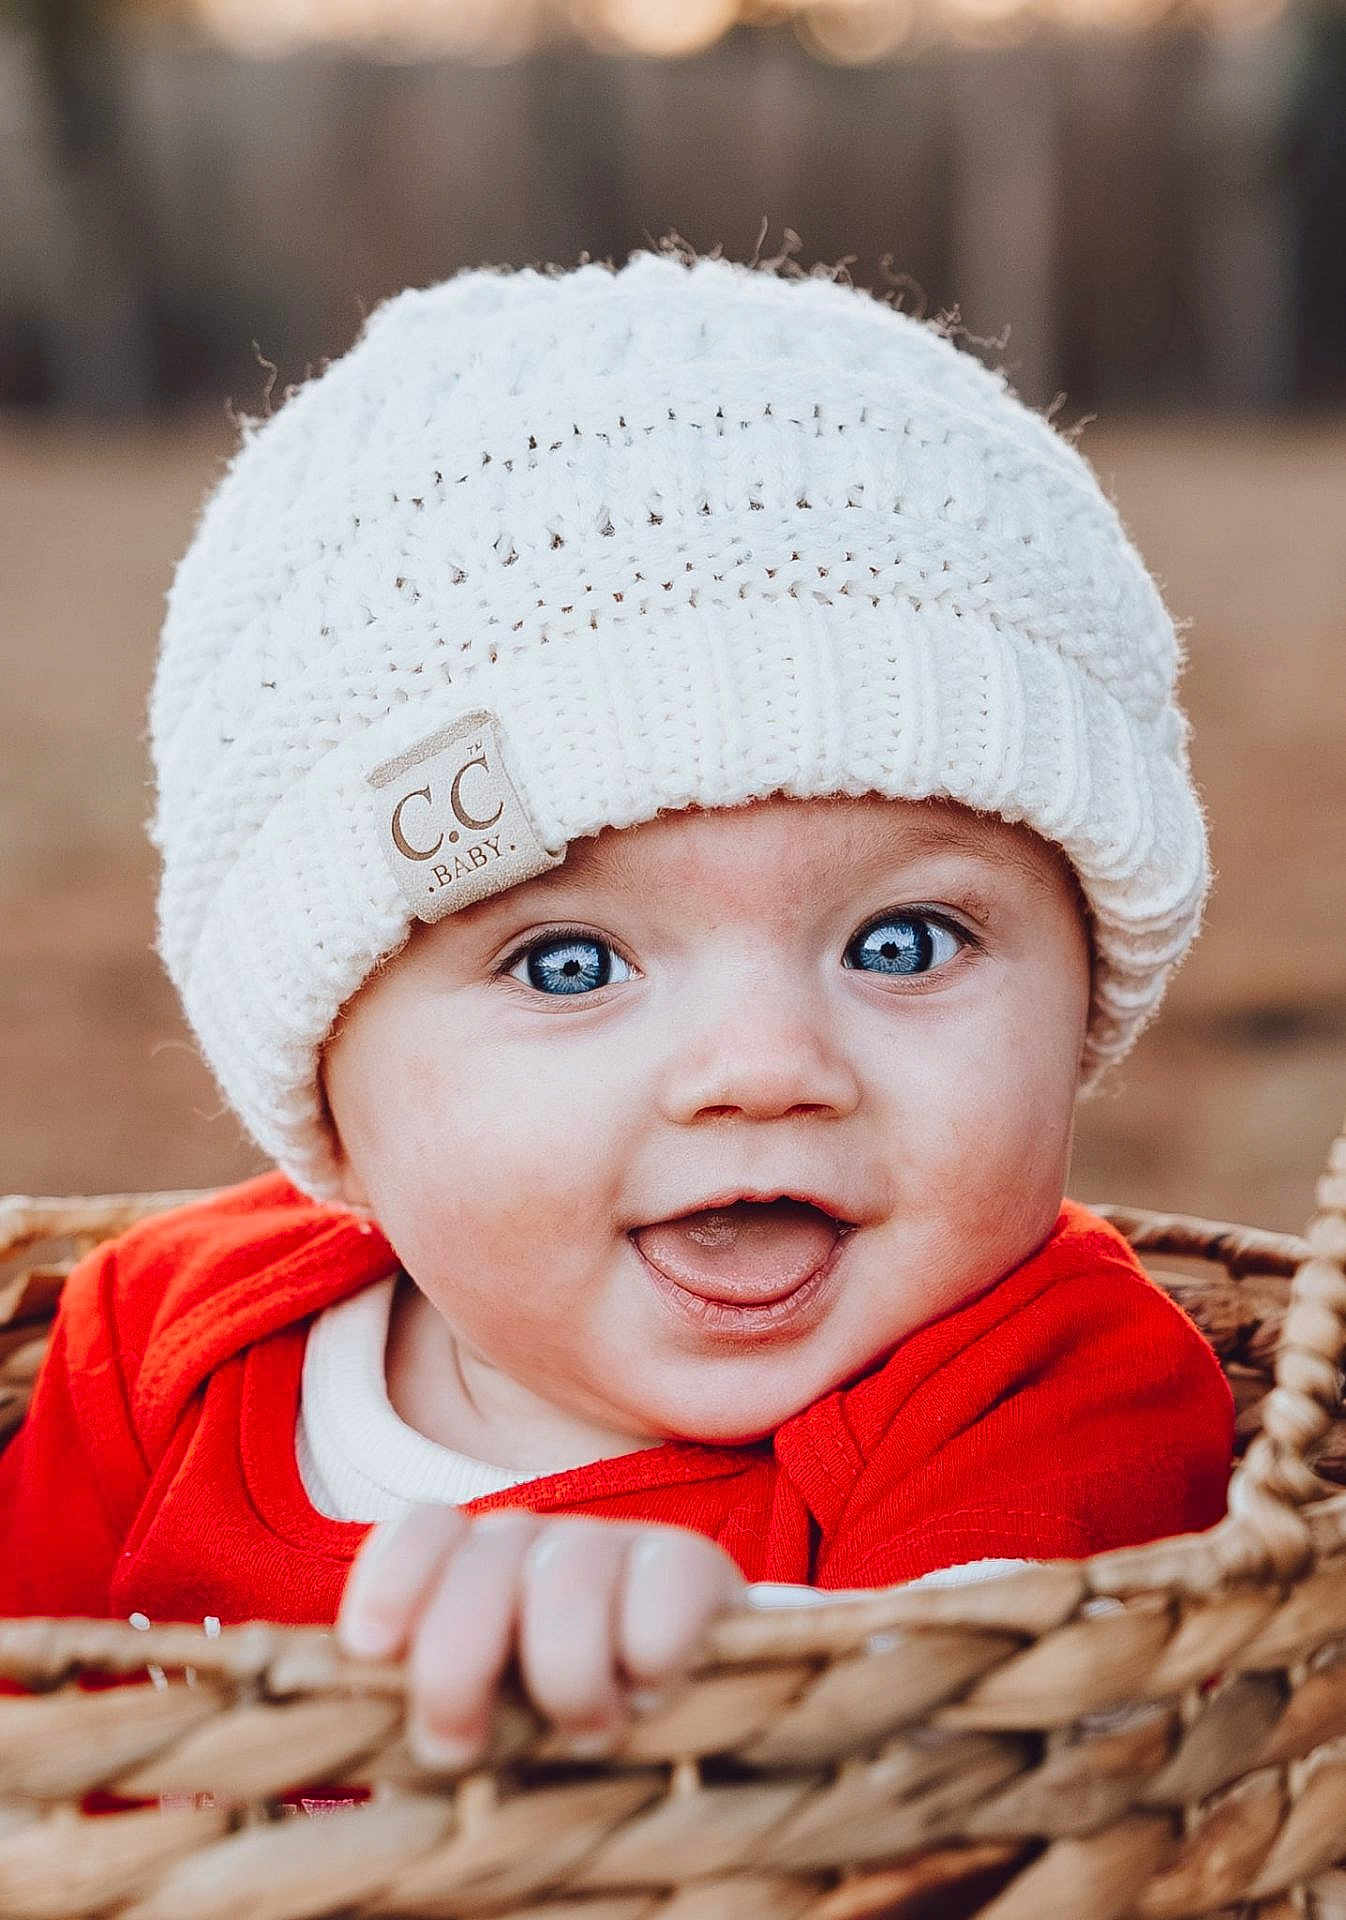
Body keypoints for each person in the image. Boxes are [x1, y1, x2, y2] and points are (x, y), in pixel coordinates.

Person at [0, 250, 1232, 1769]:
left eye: (904, 941)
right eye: (566, 965)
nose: (766, 1069)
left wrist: (732, 1680)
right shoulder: (161, 1342)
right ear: (328, 1079)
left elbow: (997, 1764)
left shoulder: (1039, 1386)